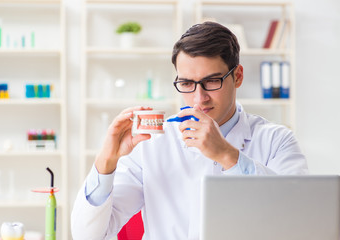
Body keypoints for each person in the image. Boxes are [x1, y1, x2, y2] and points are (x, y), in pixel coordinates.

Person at [71, 21, 308, 240]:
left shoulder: (277, 140)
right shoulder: (152, 143)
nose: (199, 98)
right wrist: (105, 163)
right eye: (186, 84)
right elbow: (88, 234)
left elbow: (299, 222)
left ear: (237, 76)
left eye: (212, 81)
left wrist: (227, 155)